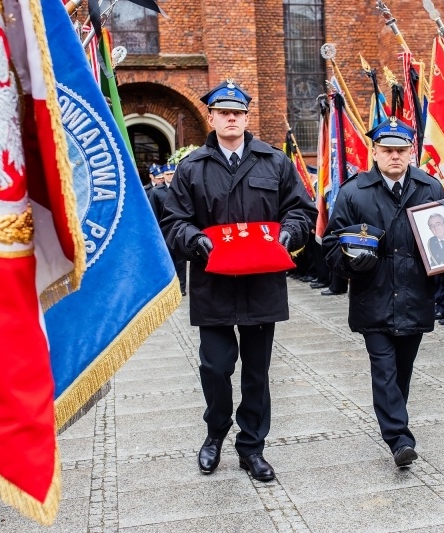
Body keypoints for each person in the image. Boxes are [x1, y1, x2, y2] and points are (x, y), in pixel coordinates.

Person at [160, 79, 316, 481]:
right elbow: (173, 220)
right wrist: (193, 239)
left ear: (247, 117)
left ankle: (252, 447)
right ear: (210, 118)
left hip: (261, 283)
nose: (231, 118)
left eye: (238, 112)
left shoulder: (274, 162)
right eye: (223, 112)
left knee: (257, 372)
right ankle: (215, 433)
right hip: (214, 283)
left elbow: (301, 210)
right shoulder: (193, 167)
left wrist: (289, 234)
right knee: (215, 366)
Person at [322, 117, 444, 467]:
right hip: (371, 297)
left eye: (401, 150)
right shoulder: (353, 191)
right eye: (387, 150)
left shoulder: (429, 188)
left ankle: (394, 421)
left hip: (415, 297)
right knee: (384, 368)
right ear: (374, 152)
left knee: (402, 370)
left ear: (411, 152)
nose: (394, 157)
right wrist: (348, 264)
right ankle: (399, 439)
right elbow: (330, 245)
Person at [151, 163, 187, 296]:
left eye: (172, 174)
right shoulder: (156, 192)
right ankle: (169, 289)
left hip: (180, 229)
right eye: (168, 174)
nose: (170, 177)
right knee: (168, 261)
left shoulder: (182, 188)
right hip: (164, 231)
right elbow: (154, 213)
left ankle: (182, 287)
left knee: (181, 260)